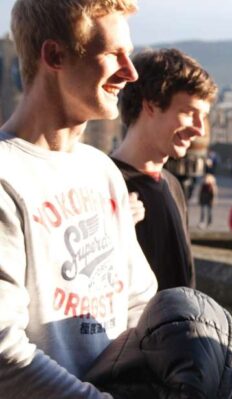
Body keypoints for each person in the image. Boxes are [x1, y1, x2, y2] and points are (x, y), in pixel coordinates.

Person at [0, 1, 157, 397]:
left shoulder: (101, 171)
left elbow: (137, 301)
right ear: (54, 55)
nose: (131, 72)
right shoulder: (6, 175)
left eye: (130, 54)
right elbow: (3, 353)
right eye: (112, 54)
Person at [111, 48, 217, 290]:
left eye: (204, 117)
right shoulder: (105, 182)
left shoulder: (172, 184)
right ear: (151, 105)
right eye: (190, 113)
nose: (200, 130)